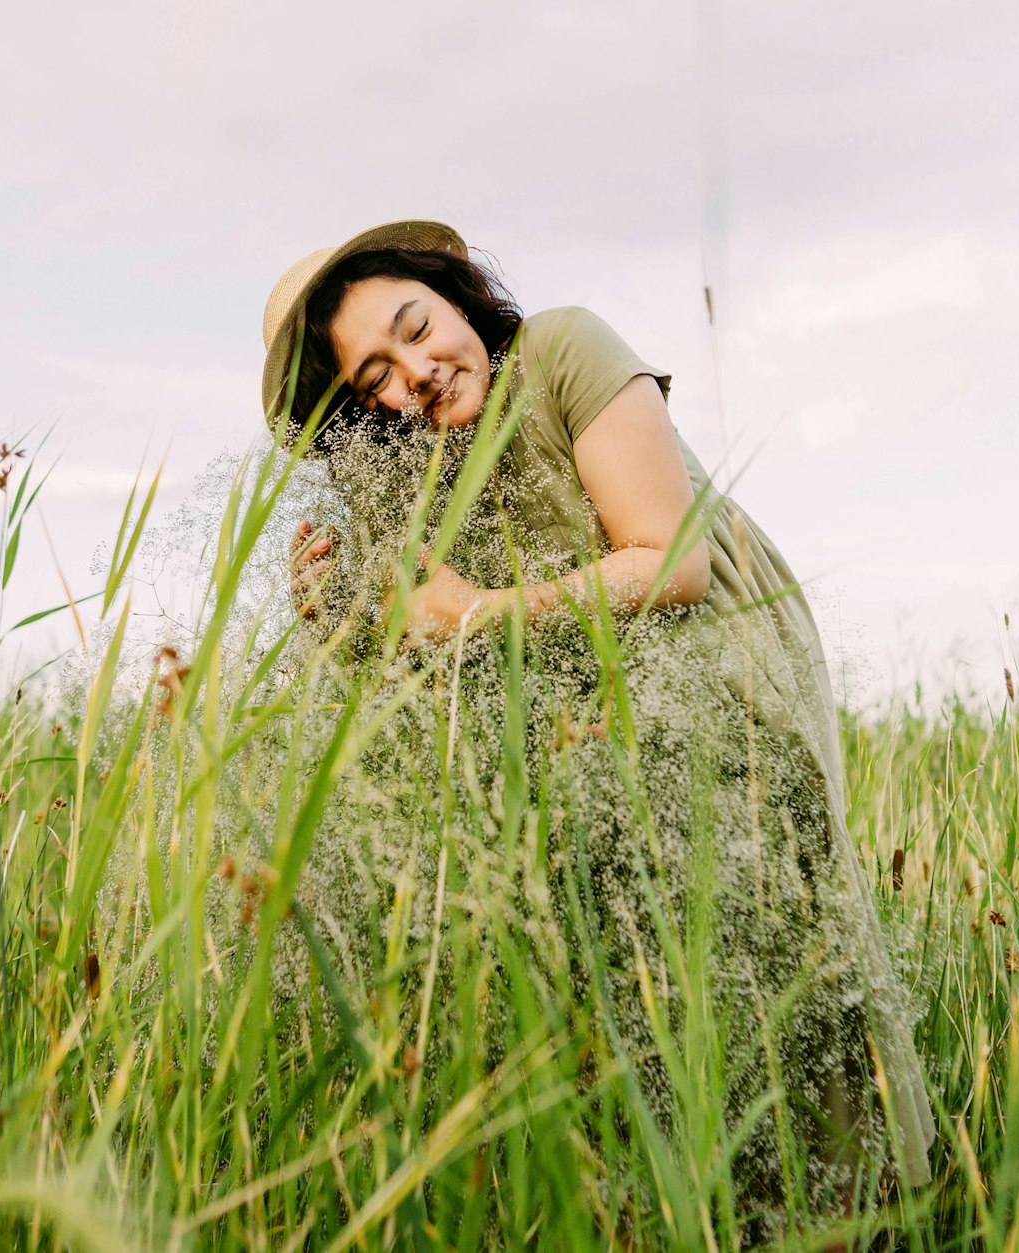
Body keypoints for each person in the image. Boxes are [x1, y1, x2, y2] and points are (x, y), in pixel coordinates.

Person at [259, 219, 935, 1218]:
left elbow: (668, 562)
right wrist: (340, 628)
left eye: (416, 327)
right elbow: (427, 656)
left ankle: (866, 1215)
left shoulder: (561, 349)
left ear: (456, 298)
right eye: (375, 380)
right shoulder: (408, 480)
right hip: (587, 746)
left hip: (718, 680)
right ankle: (704, 1217)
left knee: (777, 961)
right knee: (634, 989)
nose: (418, 371)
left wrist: (475, 613)